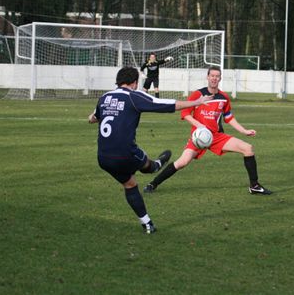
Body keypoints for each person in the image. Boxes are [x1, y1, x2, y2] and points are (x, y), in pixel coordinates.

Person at [88, 66, 213, 234]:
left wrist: (93, 118)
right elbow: (165, 104)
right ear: (134, 83)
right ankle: (157, 165)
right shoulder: (133, 96)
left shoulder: (104, 97)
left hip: (103, 157)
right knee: (149, 168)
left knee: (130, 183)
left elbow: (93, 118)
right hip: (125, 153)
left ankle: (147, 224)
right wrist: (196, 102)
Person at [144, 65, 272, 195]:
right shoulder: (198, 94)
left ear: (220, 78)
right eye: (212, 76)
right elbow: (185, 114)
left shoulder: (224, 97)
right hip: (198, 137)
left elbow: (229, 118)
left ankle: (254, 186)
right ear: (207, 77)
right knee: (182, 162)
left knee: (248, 148)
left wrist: (244, 131)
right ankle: (153, 184)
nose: (214, 78)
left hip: (216, 137)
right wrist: (199, 125)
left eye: (217, 76)